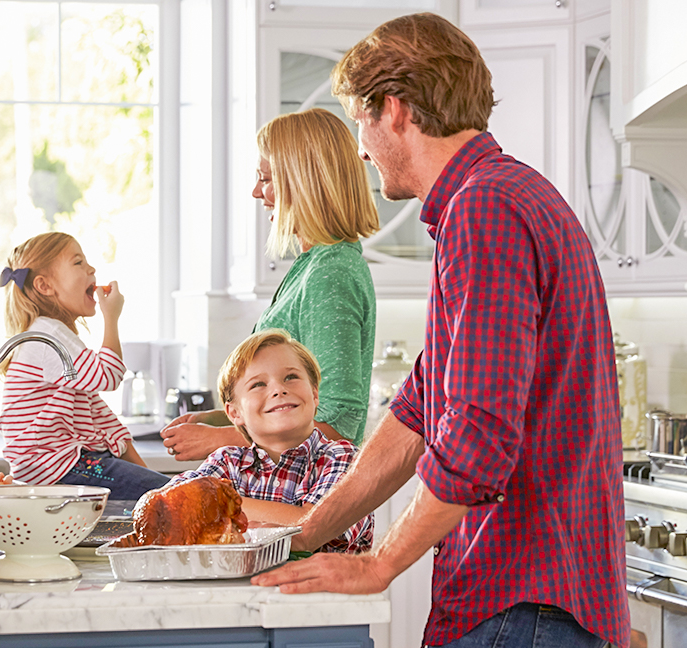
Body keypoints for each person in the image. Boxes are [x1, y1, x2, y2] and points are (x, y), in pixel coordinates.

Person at [251, 13, 628, 648]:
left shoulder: (485, 209)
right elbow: (422, 406)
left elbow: (476, 435)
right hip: (532, 601)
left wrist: (380, 565)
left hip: (521, 600)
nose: (362, 149)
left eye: (360, 124)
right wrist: (308, 534)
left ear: (393, 110)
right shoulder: (501, 197)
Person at [162, 108, 379, 459]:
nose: (255, 192)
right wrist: (220, 419)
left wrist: (220, 440)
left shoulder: (330, 273)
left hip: (304, 496)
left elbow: (339, 424)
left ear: (303, 182)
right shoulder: (313, 265)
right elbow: (295, 406)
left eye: (265, 179)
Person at [0, 231, 170, 501]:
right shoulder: (48, 337)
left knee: (174, 494)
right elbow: (109, 375)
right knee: (176, 496)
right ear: (44, 286)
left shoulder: (58, 337)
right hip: (58, 468)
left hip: (67, 464)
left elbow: (104, 420)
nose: (91, 268)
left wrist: (156, 483)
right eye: (78, 262)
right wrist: (111, 317)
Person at [166, 329, 373, 553]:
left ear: (314, 394)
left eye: (291, 377)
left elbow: (313, 526)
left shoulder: (345, 458)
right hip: (238, 589)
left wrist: (217, 503)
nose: (278, 389)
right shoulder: (227, 462)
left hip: (322, 589)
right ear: (234, 412)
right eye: (258, 384)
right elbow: (172, 504)